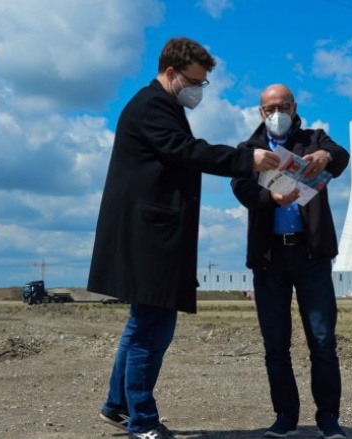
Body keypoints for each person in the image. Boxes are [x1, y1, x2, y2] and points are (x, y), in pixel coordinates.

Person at [87, 37, 280, 439]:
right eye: (196, 82)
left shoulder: (160, 104)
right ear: (172, 73)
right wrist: (246, 160)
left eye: (204, 83)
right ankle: (142, 421)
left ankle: (117, 406)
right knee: (151, 329)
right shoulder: (152, 105)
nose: (200, 91)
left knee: (143, 324)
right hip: (150, 238)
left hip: (151, 235)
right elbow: (185, 150)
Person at [231, 84, 350, 439]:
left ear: (295, 106)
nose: (276, 112)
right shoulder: (248, 149)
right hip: (269, 258)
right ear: (260, 112)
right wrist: (271, 198)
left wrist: (324, 158)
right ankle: (285, 416)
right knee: (275, 343)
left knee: (322, 339)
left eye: (283, 105)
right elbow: (240, 187)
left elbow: (341, 156)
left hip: (310, 254)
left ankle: (328, 416)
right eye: (270, 108)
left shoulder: (315, 139)